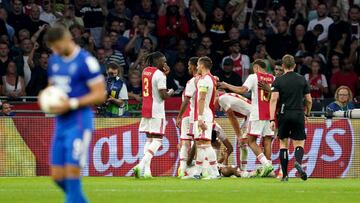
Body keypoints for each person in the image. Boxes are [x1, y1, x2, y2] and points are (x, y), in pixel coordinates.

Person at [44, 26, 106, 202]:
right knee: (57, 176)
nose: (54, 51)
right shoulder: (54, 60)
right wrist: (47, 98)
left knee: (72, 174)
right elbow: (52, 87)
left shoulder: (85, 61)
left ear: (66, 39)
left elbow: (100, 94)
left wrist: (71, 103)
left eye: (56, 46)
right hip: (60, 123)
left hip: (79, 122)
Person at [220, 59, 274, 177]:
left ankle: (266, 165)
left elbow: (242, 90)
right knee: (267, 140)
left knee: (251, 141)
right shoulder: (272, 78)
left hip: (256, 113)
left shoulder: (254, 77)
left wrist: (226, 85)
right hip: (269, 114)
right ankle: (270, 168)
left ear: (256, 68)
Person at [269, 54, 312, 182]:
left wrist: (272, 119)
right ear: (295, 65)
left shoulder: (278, 80)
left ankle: (285, 175)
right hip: (298, 113)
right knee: (299, 143)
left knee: (283, 144)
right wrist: (307, 113)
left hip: (283, 114)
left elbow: (273, 99)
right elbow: (309, 100)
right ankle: (298, 162)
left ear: (282, 66)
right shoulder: (302, 80)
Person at [133, 51, 174, 178]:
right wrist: (171, 92)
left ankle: (147, 172)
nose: (165, 63)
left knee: (149, 139)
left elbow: (152, 82)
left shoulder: (145, 71)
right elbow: (163, 95)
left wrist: (164, 74)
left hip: (145, 108)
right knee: (158, 140)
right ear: (158, 62)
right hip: (156, 110)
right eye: (164, 61)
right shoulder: (160, 75)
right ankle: (140, 165)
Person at [192, 56, 220, 179]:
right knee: (200, 144)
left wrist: (200, 118)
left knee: (206, 144)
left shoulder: (204, 80)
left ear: (202, 66)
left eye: (198, 65)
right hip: (207, 113)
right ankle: (197, 172)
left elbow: (202, 98)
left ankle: (215, 173)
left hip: (204, 115)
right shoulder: (212, 79)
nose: (197, 67)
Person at [175, 57, 198, 177]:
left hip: (189, 115)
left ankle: (183, 168)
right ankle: (188, 168)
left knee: (186, 143)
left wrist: (179, 116)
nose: (188, 67)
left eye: (189, 65)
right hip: (193, 116)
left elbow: (186, 101)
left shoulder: (193, 82)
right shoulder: (203, 80)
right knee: (195, 142)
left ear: (195, 66)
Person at [217, 92, 251, 171]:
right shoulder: (224, 97)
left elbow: (232, 118)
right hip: (249, 115)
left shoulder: (222, 99)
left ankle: (244, 170)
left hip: (252, 115)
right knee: (244, 143)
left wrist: (239, 136)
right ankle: (243, 170)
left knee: (244, 142)